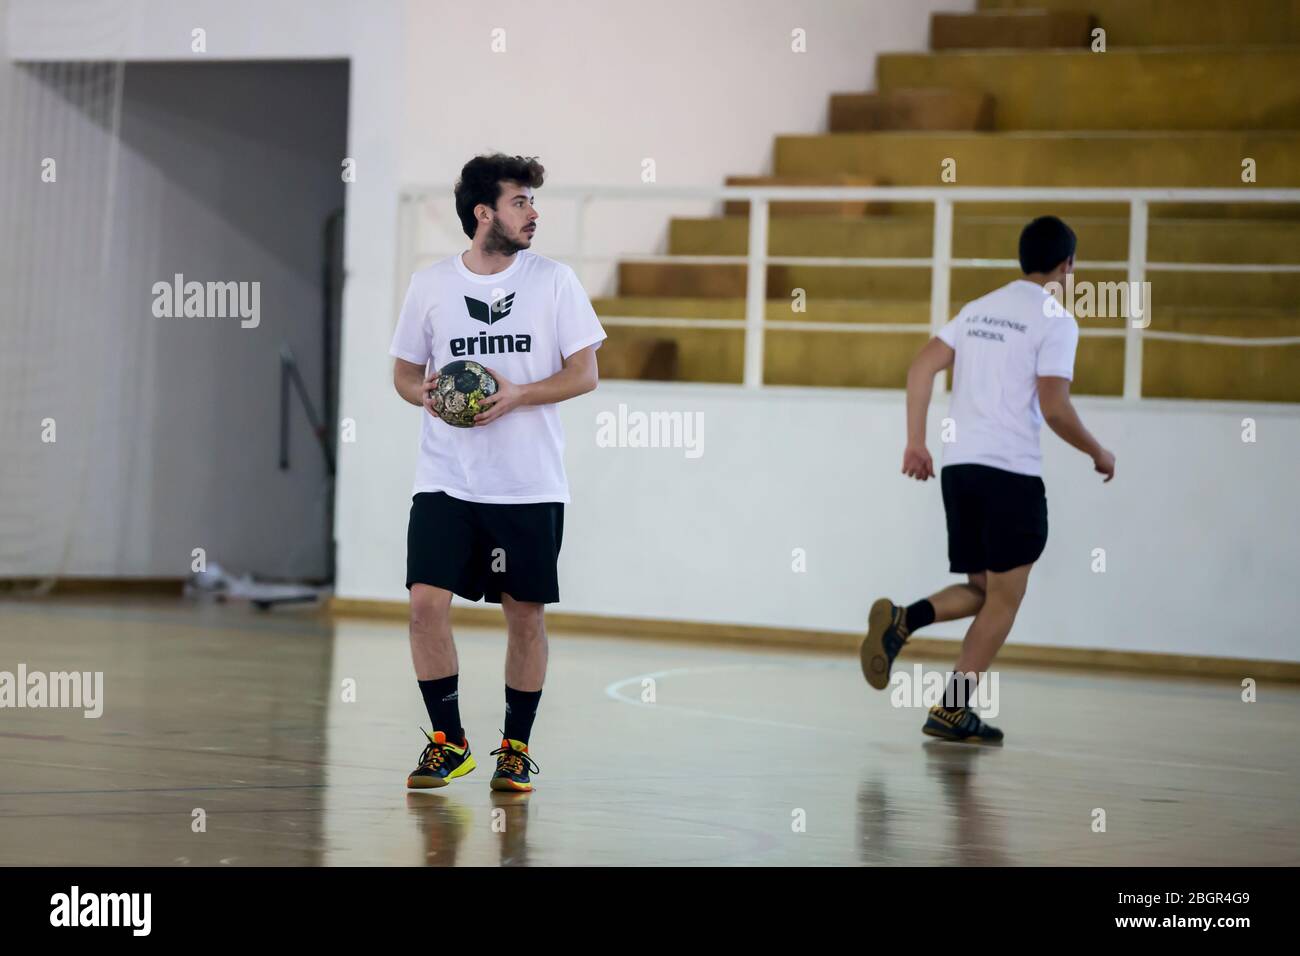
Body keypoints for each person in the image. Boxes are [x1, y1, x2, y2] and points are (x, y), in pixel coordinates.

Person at [389, 153, 606, 789]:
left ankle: (514, 747)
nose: (533, 213)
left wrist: (517, 395)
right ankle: (448, 740)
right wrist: (423, 395)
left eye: (533, 202)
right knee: (425, 606)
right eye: (520, 202)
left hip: (527, 482)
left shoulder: (554, 281)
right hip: (445, 478)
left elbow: (585, 372)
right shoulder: (430, 286)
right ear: (484, 213)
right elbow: (404, 373)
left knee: (525, 615)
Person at [860, 215, 1115, 743]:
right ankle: (951, 710)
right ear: (1067, 265)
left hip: (960, 470)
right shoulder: (1056, 320)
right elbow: (1054, 406)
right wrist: (1098, 451)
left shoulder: (978, 311)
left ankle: (903, 621)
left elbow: (920, 368)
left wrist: (916, 441)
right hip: (1010, 474)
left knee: (982, 588)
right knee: (1004, 599)